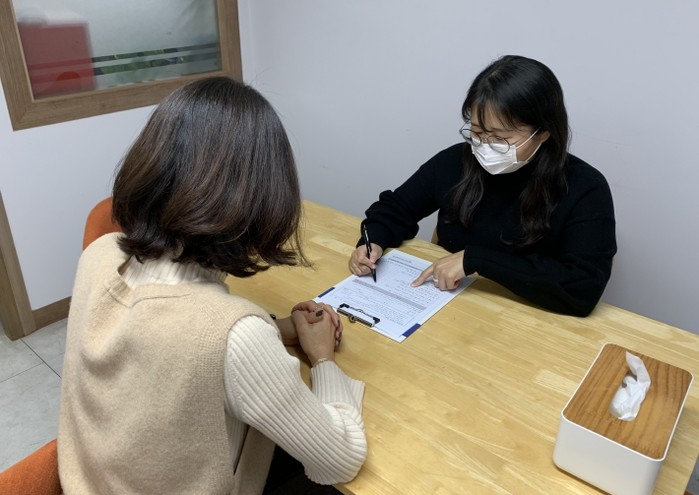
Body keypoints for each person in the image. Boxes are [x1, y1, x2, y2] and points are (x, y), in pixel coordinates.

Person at [58, 77, 367, 494]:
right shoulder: (235, 337)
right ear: (263, 198)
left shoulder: (99, 253)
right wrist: (323, 358)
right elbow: (340, 458)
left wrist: (275, 329)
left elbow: (160, 334)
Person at [349, 55, 616, 317]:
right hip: (447, 307)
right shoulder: (455, 161)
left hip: (527, 320)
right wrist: (373, 242)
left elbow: (583, 289)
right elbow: (395, 209)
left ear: (543, 133)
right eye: (477, 132)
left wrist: (477, 260)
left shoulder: (585, 188)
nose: (485, 146)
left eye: (500, 138)